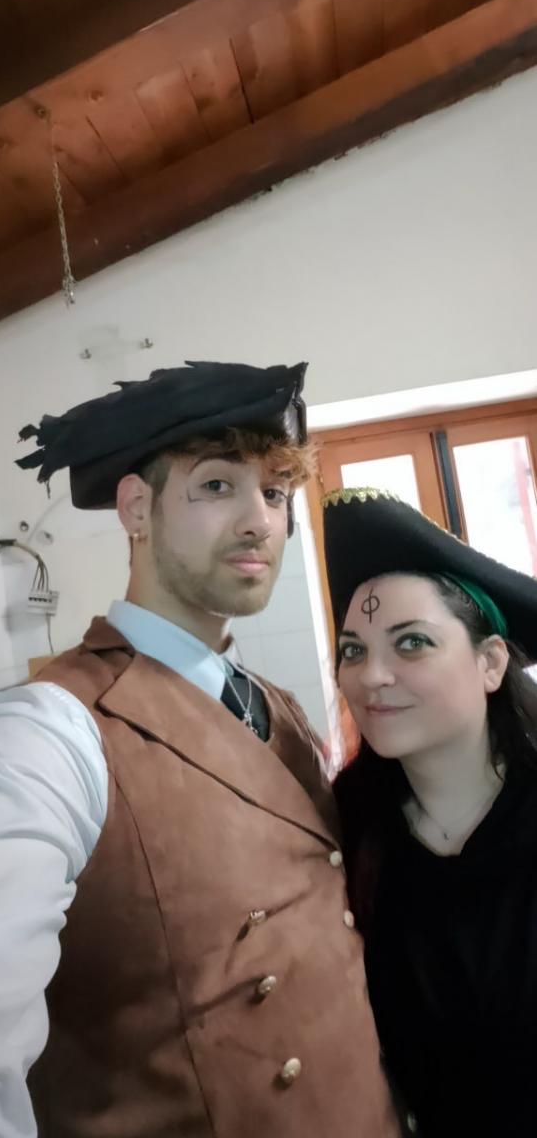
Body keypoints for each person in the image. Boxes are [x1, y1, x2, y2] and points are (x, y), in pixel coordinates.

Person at [0, 365, 399, 1138]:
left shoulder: (279, 708)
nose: (259, 521)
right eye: (217, 486)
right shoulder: (50, 733)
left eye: (275, 493)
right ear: (135, 508)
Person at [323, 485, 537, 1138]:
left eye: (411, 643)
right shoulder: (341, 833)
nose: (371, 676)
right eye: (353, 650)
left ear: (490, 662)